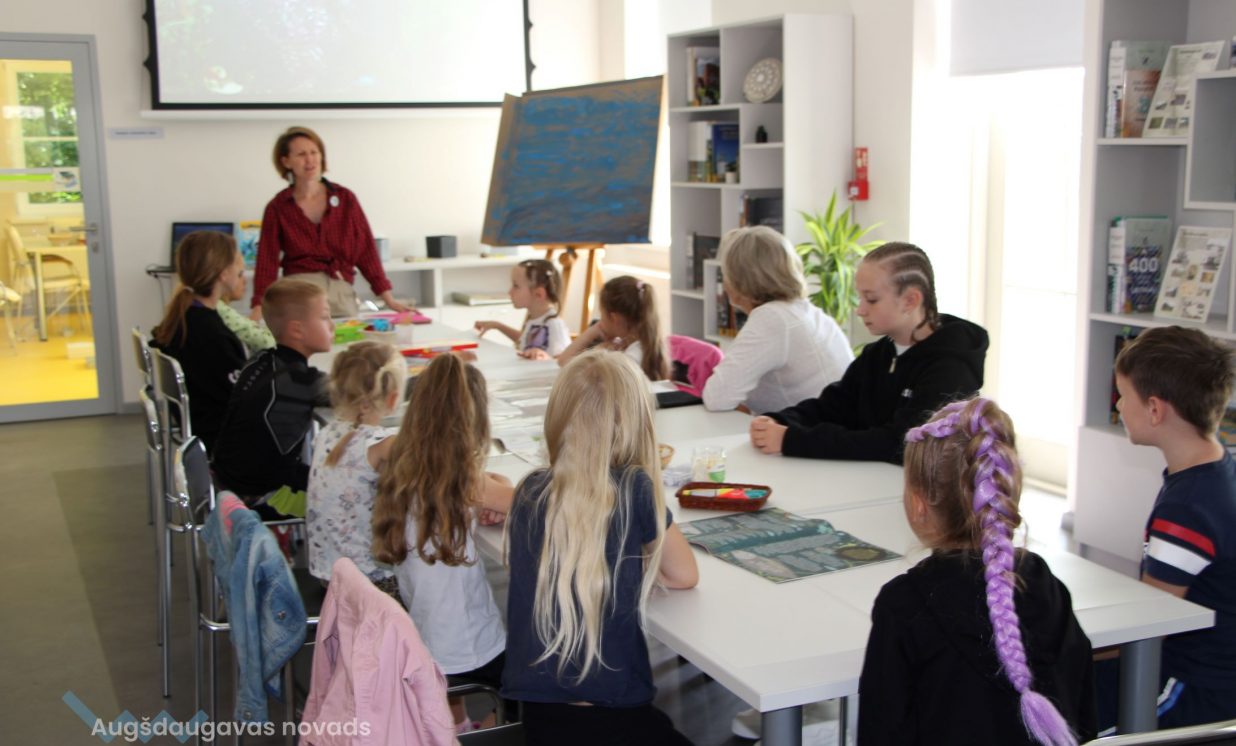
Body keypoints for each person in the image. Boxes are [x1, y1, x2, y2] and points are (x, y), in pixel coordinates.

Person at [858, 397, 1096, 745]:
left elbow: (881, 731)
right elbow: (1083, 712)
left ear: (918, 505)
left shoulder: (904, 604)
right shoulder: (1044, 583)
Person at [502, 350, 699, 745]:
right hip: (615, 716)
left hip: (539, 720)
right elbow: (683, 575)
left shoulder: (528, 491)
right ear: (637, 424)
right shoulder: (635, 489)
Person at [371, 353, 513, 733]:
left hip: (426, 639)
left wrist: (493, 486)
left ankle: (456, 726)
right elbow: (525, 502)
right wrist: (501, 488)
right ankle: (483, 733)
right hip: (469, 650)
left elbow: (489, 491)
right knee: (537, 688)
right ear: (475, 420)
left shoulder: (406, 468)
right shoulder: (464, 481)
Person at [749, 242, 988, 463]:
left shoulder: (952, 367)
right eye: (860, 297)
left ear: (910, 300)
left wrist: (792, 440)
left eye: (871, 299)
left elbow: (901, 442)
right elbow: (834, 406)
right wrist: (780, 420)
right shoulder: (879, 354)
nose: (860, 310)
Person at [1108, 325, 1236, 728]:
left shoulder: (1187, 509)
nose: (1118, 404)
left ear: (1154, 410)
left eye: (1123, 395)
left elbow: (1149, 625)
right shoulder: (1219, 466)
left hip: (1194, 688)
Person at [250, 126, 410, 319]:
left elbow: (366, 250)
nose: (309, 160)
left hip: (339, 290)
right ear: (286, 161)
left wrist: (388, 298)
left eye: (314, 152)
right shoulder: (278, 207)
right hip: (299, 294)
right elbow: (266, 261)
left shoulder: (345, 199)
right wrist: (258, 306)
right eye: (301, 154)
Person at [701, 226, 853, 414]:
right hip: (831, 425)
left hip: (813, 429)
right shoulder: (802, 311)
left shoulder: (773, 319)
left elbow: (716, 397)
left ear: (740, 279)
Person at [212, 279, 333, 515]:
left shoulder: (261, 361)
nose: (332, 325)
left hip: (226, 483)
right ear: (297, 329)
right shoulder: (299, 381)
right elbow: (357, 393)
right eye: (325, 317)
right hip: (262, 498)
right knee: (357, 490)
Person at [306, 341, 404, 597]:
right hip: (369, 585)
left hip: (328, 575)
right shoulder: (382, 444)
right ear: (393, 399)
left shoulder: (326, 434)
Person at [150, 230, 248, 452]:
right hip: (223, 438)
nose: (242, 271)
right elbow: (242, 395)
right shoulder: (211, 333)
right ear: (224, 274)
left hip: (200, 424)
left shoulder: (185, 318)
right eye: (238, 266)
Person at [557, 275, 670, 381]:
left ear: (613, 318)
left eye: (602, 315)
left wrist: (597, 348)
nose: (600, 322)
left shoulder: (627, 360)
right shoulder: (646, 347)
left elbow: (565, 363)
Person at [474, 259, 570, 360]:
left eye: (516, 286)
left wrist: (545, 357)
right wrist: (497, 325)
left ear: (538, 294)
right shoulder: (536, 318)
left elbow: (565, 361)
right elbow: (525, 341)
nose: (510, 292)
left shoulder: (555, 325)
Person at [214, 247, 276, 354]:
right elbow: (268, 343)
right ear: (223, 276)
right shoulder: (220, 310)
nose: (245, 280)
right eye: (240, 274)